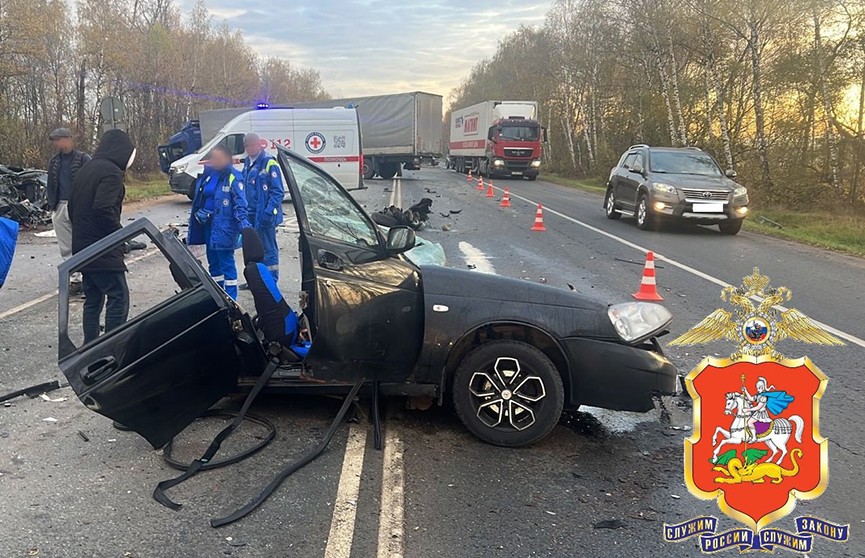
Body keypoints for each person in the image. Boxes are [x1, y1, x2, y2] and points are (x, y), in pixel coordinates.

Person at [69, 129, 136, 344]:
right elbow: (103, 208)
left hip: (84, 248)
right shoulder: (111, 173)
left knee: (93, 299)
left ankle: (90, 346)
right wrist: (120, 237)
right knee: (118, 297)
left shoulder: (86, 169)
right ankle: (110, 348)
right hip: (103, 249)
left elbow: (72, 207)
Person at [188, 144, 250, 299]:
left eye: (218, 158)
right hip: (208, 226)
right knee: (213, 263)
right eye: (213, 158)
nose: (214, 161)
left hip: (225, 227)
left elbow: (240, 204)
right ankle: (217, 294)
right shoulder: (208, 175)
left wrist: (245, 227)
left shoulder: (234, 177)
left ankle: (231, 297)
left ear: (227, 159)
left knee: (226, 262)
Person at [47, 127, 91, 293]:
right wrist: (52, 204)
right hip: (59, 205)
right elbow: (51, 184)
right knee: (66, 246)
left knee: (82, 242)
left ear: (67, 139)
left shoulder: (83, 159)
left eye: (57, 140)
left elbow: (90, 181)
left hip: (79, 206)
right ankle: (74, 280)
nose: (56, 144)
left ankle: (88, 278)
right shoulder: (54, 161)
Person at [242, 133, 283, 281]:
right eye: (247, 146)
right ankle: (256, 279)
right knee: (253, 250)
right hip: (250, 215)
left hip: (265, 215)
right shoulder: (247, 163)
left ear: (260, 144)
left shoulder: (269, 162)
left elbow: (277, 192)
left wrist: (268, 212)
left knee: (268, 249)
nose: (250, 148)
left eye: (253, 144)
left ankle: (271, 281)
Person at [742, 377, 794, 441]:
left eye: (759, 388)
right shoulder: (759, 395)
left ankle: (754, 437)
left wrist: (747, 410)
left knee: (749, 422)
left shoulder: (763, 397)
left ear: (763, 387)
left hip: (761, 414)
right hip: (757, 413)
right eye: (757, 388)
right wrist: (745, 391)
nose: (758, 390)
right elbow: (751, 399)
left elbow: (758, 407)